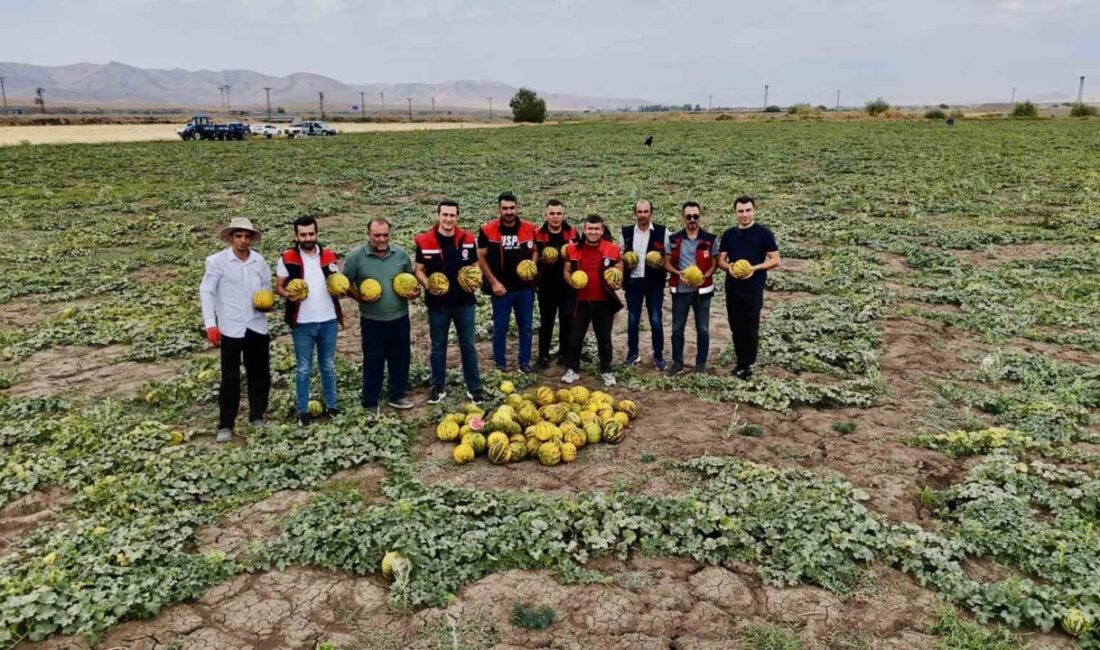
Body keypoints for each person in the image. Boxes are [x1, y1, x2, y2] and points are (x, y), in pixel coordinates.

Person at [199, 217, 272, 443]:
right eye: (238, 236)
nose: (242, 240)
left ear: (251, 239)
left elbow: (267, 288)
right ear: (231, 238)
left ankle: (256, 415)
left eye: (246, 236)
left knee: (259, 374)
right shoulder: (217, 261)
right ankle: (226, 424)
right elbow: (206, 292)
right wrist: (211, 324)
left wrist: (266, 301)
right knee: (230, 377)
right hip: (230, 327)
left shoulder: (259, 261)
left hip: (256, 325)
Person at [414, 200, 485, 405]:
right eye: (444, 215)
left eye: (452, 215)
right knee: (438, 346)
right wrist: (428, 285)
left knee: (468, 346)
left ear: (458, 217)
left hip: (464, 302)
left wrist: (476, 278)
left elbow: (474, 264)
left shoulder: (468, 239)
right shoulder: (425, 241)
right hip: (438, 305)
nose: (448, 219)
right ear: (438, 215)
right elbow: (419, 269)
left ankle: (474, 388)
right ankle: (438, 387)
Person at [275, 216, 344, 427]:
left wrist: (342, 289)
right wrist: (288, 294)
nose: (307, 238)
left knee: (328, 365)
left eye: (311, 234)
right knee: (303, 368)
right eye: (303, 234)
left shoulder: (329, 256)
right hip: (302, 323)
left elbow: (336, 281)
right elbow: (279, 287)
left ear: (316, 233)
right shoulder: (286, 258)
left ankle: (332, 407)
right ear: (296, 236)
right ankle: (303, 412)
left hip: (328, 320)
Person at [343, 218, 416, 412]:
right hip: (372, 320)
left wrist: (414, 292)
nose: (382, 239)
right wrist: (358, 296)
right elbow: (344, 282)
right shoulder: (355, 258)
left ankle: (397, 395)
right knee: (373, 360)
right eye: (377, 235)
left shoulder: (400, 255)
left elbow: (410, 280)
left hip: (400, 317)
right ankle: (370, 401)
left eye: (385, 235)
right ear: (369, 235)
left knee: (400, 358)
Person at [717, 196, 781, 379]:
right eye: (740, 211)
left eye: (747, 210)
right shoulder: (729, 234)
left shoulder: (763, 233)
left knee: (751, 327)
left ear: (754, 210)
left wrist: (754, 268)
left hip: (753, 287)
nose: (744, 214)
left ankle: (747, 364)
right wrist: (730, 267)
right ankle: (740, 361)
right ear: (735, 212)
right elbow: (721, 260)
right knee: (736, 326)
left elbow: (776, 260)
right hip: (733, 287)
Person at [477, 191, 538, 373]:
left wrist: (532, 266)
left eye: (512, 208)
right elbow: (480, 257)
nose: (509, 212)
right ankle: (500, 363)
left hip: (525, 288)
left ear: (517, 208)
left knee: (526, 326)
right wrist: (493, 282)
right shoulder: (488, 230)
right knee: (500, 327)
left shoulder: (529, 228)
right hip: (501, 289)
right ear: (499, 209)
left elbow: (535, 250)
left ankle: (524, 362)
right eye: (505, 208)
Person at [562, 215, 624, 387]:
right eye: (590, 228)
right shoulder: (573, 249)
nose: (593, 232)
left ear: (602, 231)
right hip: (580, 301)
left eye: (597, 229)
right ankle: (572, 369)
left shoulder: (612, 249)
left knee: (603, 338)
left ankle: (606, 370)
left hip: (603, 301)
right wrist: (571, 281)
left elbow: (619, 270)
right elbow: (566, 270)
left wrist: (617, 282)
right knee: (575, 337)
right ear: (584, 229)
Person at [664, 202, 718, 376]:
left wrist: (705, 275)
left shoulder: (710, 239)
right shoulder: (673, 239)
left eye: (696, 216)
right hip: (681, 291)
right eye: (689, 216)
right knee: (677, 329)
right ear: (682, 217)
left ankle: (701, 364)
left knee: (703, 329)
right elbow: (665, 262)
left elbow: (715, 263)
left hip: (703, 291)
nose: (692, 220)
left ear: (700, 216)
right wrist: (678, 273)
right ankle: (677, 363)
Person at [618, 199, 669, 370]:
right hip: (633, 282)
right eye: (639, 212)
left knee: (656, 319)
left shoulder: (663, 232)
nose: (643, 215)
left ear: (651, 213)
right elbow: (620, 257)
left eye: (646, 212)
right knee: (633, 319)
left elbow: (668, 257)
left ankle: (658, 356)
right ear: (635, 213)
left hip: (655, 283)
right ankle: (633, 354)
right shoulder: (626, 232)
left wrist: (660, 262)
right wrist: (625, 264)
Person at [533, 199, 578, 369]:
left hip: (567, 285)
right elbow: (534, 255)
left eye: (559, 213)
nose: (555, 217)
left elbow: (577, 255)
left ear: (563, 214)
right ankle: (543, 356)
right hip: (546, 285)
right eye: (552, 213)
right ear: (546, 215)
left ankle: (564, 354)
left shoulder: (572, 232)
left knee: (567, 320)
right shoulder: (538, 233)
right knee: (546, 322)